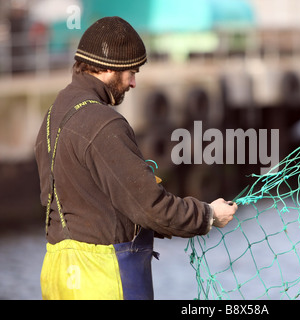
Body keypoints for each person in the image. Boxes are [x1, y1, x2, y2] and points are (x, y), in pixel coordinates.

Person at [34, 16, 237, 300]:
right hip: (104, 279)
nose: (133, 83)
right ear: (108, 67)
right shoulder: (103, 124)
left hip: (58, 277)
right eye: (131, 71)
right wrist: (208, 215)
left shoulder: (53, 115)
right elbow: (150, 207)